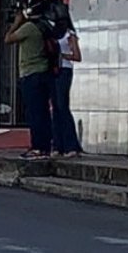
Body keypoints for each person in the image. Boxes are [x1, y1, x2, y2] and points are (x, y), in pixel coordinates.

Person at [6, 4, 55, 159]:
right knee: (43, 112)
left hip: (31, 74)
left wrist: (16, 22)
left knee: (34, 113)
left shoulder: (29, 27)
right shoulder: (45, 26)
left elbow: (8, 39)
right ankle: (45, 147)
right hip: (44, 72)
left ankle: (38, 147)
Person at [53, 13, 83, 157]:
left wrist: (62, 55)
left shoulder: (69, 34)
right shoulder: (52, 32)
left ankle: (71, 145)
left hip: (64, 69)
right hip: (54, 70)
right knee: (55, 109)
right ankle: (58, 145)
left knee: (62, 106)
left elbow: (77, 56)